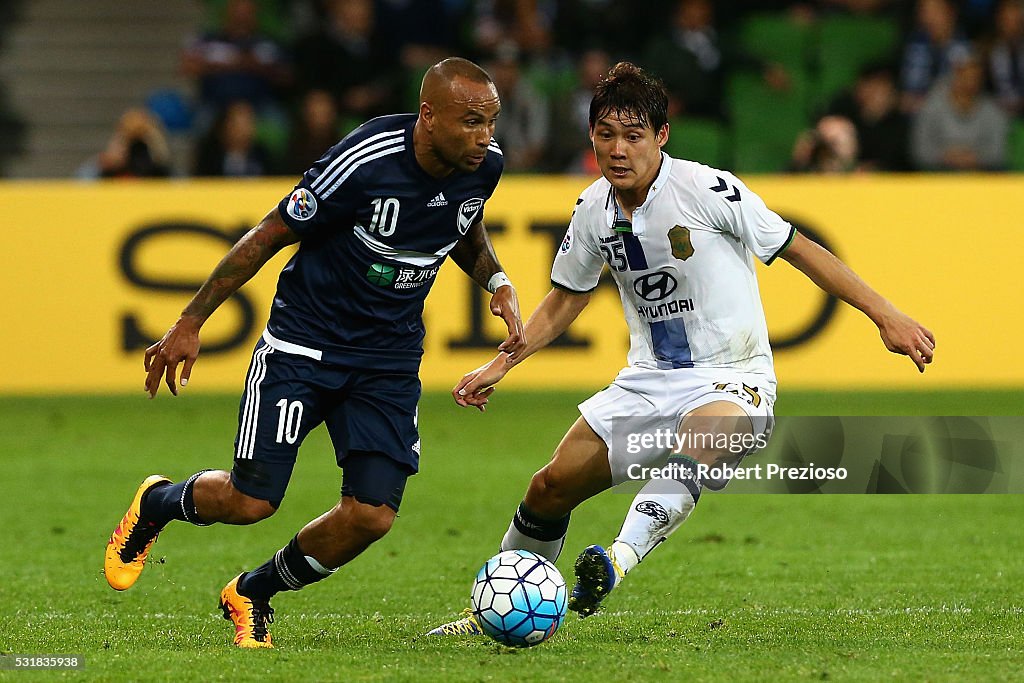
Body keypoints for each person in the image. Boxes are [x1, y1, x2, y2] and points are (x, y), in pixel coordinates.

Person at [429, 62, 934, 634]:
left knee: (703, 442)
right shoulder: (593, 208)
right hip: (648, 380)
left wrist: (886, 316)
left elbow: (799, 248)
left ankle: (614, 562)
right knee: (548, 488)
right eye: (605, 136)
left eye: (634, 136)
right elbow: (566, 298)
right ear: (591, 136)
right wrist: (503, 362)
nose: (618, 150)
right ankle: (490, 612)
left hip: (732, 377)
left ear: (661, 136)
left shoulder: (706, 189)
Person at [103, 57, 524, 649]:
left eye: (492, 122)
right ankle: (159, 502)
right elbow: (266, 236)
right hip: (305, 345)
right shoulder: (365, 162)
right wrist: (190, 322)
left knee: (372, 514)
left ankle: (252, 591)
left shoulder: (484, 166)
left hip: (387, 359)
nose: (486, 137)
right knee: (252, 502)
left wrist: (497, 282)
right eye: (472, 122)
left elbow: (462, 224)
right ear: (429, 115)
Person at [911, 53, 1009, 171]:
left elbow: (999, 151)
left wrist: (976, 158)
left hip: (980, 177)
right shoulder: (931, 107)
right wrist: (945, 156)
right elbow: (920, 149)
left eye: (975, 77)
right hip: (938, 176)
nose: (970, 81)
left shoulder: (992, 111)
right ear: (955, 75)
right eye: (965, 75)